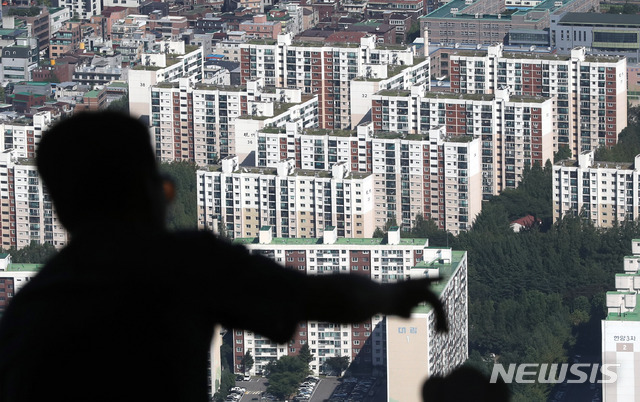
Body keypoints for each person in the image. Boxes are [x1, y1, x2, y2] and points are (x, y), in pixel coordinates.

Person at [0, 111, 447, 402]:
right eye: (166, 189)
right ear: (148, 194)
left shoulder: (25, 312)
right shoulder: (183, 266)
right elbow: (322, 297)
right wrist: (393, 296)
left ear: (59, 207)